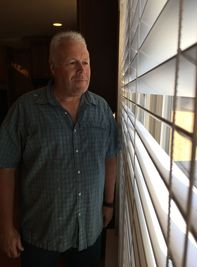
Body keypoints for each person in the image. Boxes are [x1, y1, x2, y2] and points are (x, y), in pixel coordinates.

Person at [0, 31, 119, 267]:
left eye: (85, 62)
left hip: (89, 230)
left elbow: (110, 156)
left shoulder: (102, 109)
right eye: (72, 63)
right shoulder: (24, 110)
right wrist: (6, 227)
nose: (82, 70)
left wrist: (109, 203)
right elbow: (5, 167)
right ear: (53, 67)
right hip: (40, 234)